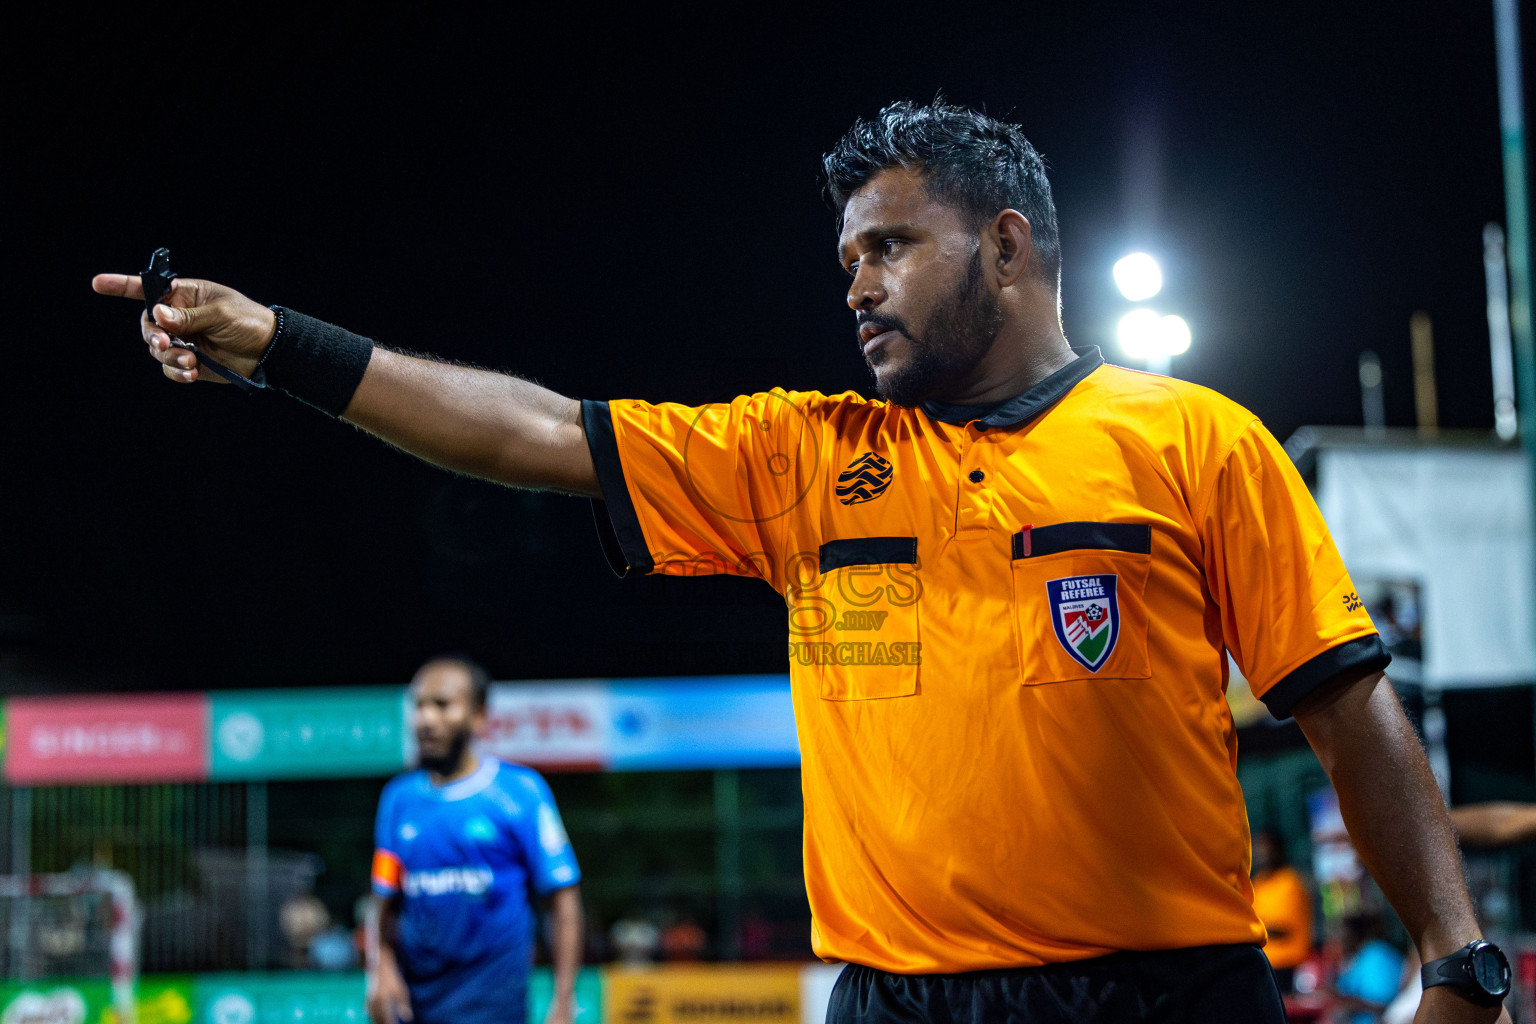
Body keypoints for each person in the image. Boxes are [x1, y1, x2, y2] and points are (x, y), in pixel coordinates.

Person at [93, 98, 1508, 1022]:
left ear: (1008, 246)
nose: (858, 285)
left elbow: (1344, 701)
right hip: (892, 999)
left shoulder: (1194, 440)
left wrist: (1458, 958)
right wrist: (285, 348)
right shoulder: (799, 455)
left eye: (892, 245)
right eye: (845, 260)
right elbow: (532, 434)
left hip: (1162, 994)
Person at [364, 656, 583, 1024]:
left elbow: (563, 901)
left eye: (442, 705)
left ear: (479, 715)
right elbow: (383, 900)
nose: (426, 719)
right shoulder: (398, 800)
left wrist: (563, 1000)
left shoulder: (520, 792)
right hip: (414, 1007)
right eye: (419, 705)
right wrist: (380, 971)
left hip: (494, 1006)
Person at [1251, 828, 1314, 992]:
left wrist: (1251, 929)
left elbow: (1280, 929)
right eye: (1259, 847)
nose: (1262, 852)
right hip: (1263, 963)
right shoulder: (1257, 883)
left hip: (1288, 967)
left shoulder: (1290, 881)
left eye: (1267, 847)